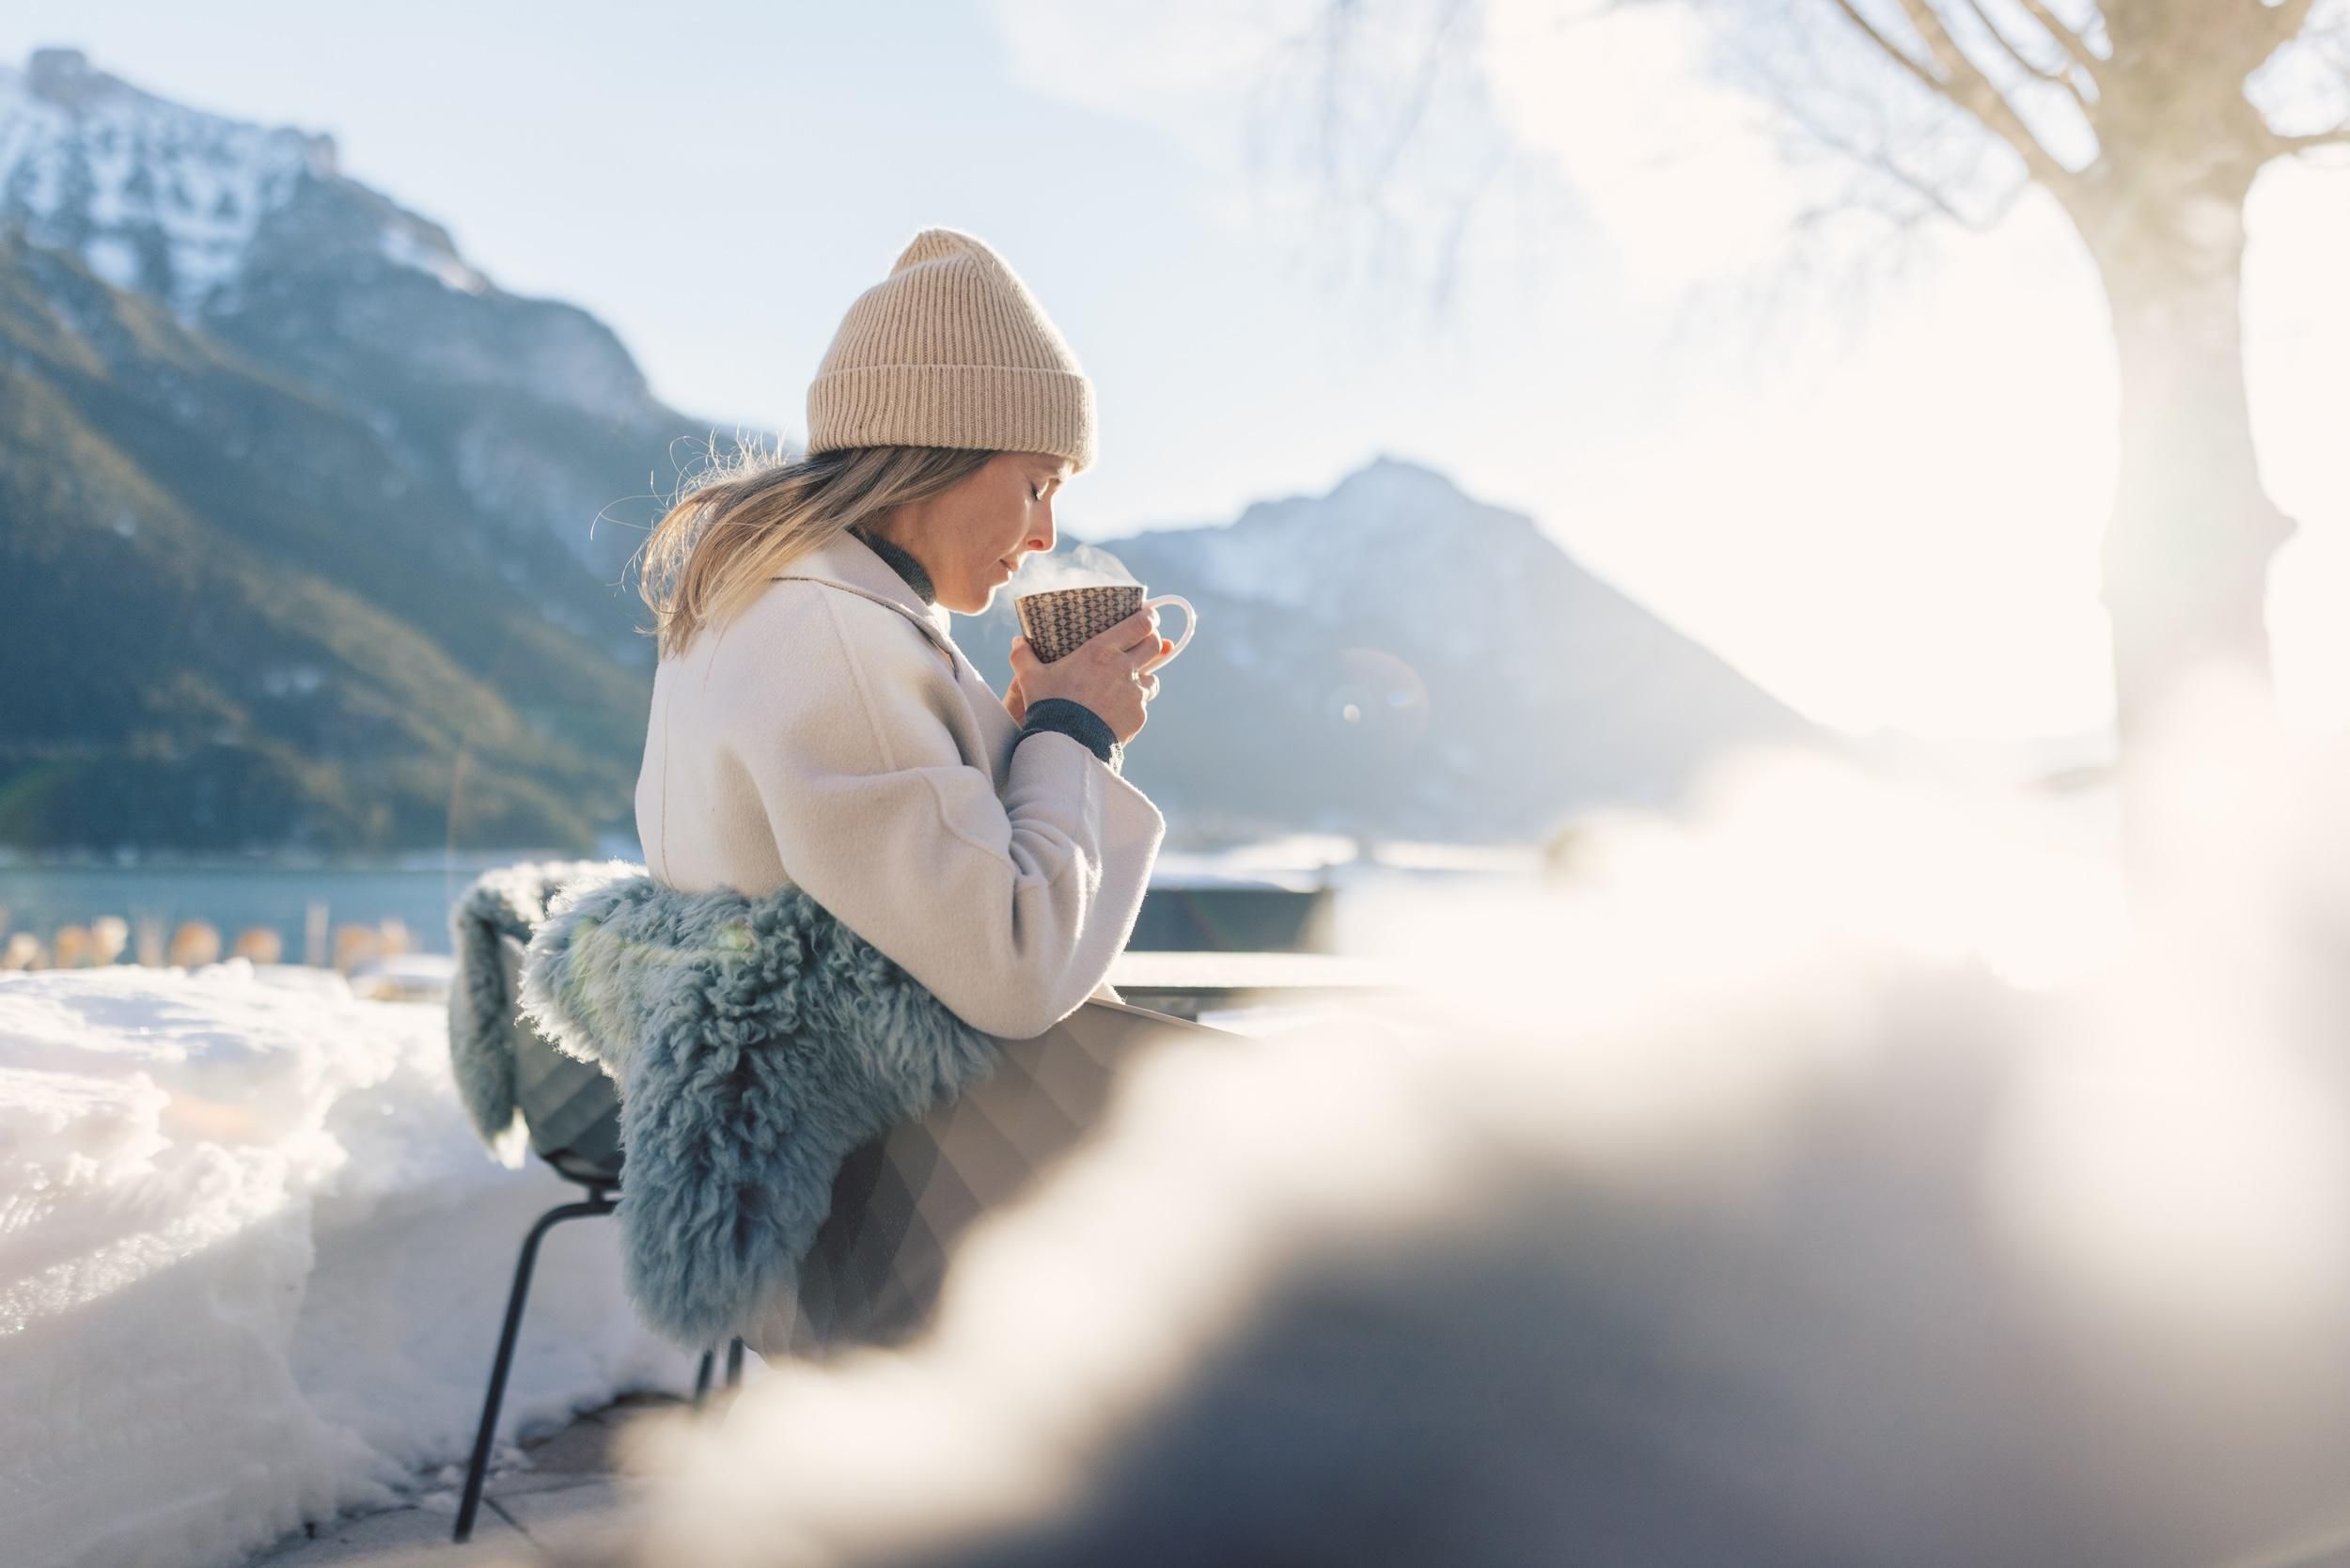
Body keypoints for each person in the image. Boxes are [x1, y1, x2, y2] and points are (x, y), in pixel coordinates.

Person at [630, 226, 1176, 1042]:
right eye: (1037, 484)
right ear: (940, 453)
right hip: (913, 1157)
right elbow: (1014, 969)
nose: (1046, 535)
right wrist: (1074, 731)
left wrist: (1025, 745)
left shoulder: (787, 603)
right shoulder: (834, 641)